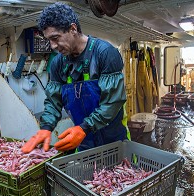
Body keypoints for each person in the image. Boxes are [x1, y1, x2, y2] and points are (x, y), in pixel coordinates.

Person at [22, 2, 130, 153]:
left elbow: (112, 103)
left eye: (55, 38)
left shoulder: (105, 53)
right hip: (84, 141)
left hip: (114, 140)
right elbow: (54, 101)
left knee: (124, 173)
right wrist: (46, 127)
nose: (53, 46)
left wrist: (84, 128)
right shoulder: (57, 63)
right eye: (49, 40)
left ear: (73, 29)